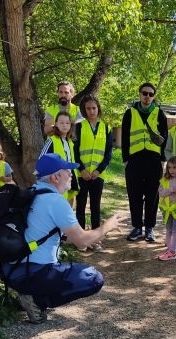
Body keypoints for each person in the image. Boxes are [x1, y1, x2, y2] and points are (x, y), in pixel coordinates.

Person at [0, 153, 124, 324]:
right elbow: (82, 242)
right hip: (34, 272)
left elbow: (42, 231)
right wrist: (107, 227)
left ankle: (28, 293)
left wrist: (82, 237)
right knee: (94, 278)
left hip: (10, 272)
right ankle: (36, 300)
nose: (72, 174)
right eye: (67, 171)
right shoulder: (55, 201)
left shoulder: (30, 193)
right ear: (56, 177)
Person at [121, 82, 168, 243]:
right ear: (139, 94)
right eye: (144, 93)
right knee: (134, 195)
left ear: (153, 97)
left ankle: (149, 228)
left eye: (150, 94)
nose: (147, 97)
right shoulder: (130, 113)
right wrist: (125, 159)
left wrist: (162, 160)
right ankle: (136, 227)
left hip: (154, 161)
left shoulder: (159, 114)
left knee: (152, 196)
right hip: (134, 161)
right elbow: (125, 137)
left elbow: (165, 138)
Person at [74, 96, 113, 252]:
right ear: (84, 110)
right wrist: (82, 169)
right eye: (88, 108)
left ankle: (96, 240)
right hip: (81, 174)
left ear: (98, 109)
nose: (91, 111)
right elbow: (75, 151)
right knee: (81, 206)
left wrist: (98, 171)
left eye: (94, 108)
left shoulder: (106, 127)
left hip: (98, 175)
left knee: (95, 206)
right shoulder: (79, 127)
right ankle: (81, 240)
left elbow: (108, 152)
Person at [40, 111, 79, 206]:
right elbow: (41, 162)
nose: (65, 125)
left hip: (68, 182)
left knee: (67, 209)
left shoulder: (70, 143)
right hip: (56, 183)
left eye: (67, 123)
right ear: (56, 124)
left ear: (70, 125)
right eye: (61, 123)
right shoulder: (51, 141)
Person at [157, 156, 176, 261]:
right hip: (167, 210)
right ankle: (170, 250)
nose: (171, 170)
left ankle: (172, 251)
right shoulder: (164, 180)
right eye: (169, 168)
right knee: (169, 229)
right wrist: (172, 189)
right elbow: (161, 193)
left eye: (174, 167)